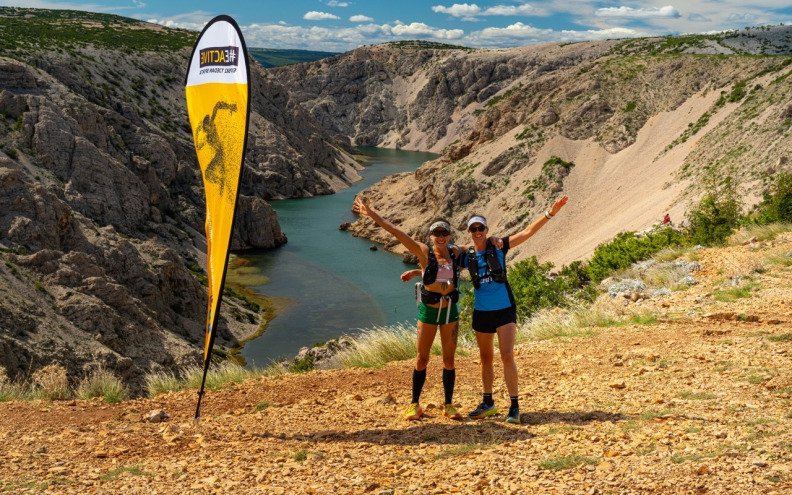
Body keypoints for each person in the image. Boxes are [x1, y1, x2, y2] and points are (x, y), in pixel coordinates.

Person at [353, 196, 463, 421]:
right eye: (437, 233)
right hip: (430, 310)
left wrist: (493, 240)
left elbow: (479, 245)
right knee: (422, 359)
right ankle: (414, 404)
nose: (441, 237)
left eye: (445, 233)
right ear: (430, 236)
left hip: (450, 309)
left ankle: (448, 405)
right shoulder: (424, 251)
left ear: (449, 235)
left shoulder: (456, 253)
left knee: (449, 360)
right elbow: (396, 233)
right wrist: (371, 214)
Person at [462, 197, 568, 424]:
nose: (478, 231)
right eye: (474, 229)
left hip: (504, 310)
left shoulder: (499, 246)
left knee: (507, 355)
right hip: (481, 312)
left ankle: (514, 405)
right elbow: (441, 258)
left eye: (481, 228)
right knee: (485, 357)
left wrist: (551, 213)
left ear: (487, 229)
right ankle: (488, 402)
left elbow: (527, 232)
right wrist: (415, 274)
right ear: (469, 232)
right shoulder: (467, 254)